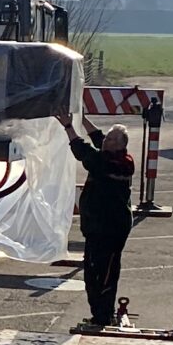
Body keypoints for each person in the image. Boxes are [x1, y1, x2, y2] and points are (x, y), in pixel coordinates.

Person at [63, 116, 137, 330]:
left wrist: (68, 127)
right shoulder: (111, 154)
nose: (107, 141)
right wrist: (82, 117)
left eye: (112, 139)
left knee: (103, 275)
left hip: (110, 229)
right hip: (97, 228)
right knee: (91, 271)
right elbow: (98, 138)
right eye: (108, 138)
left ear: (121, 146)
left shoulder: (119, 164)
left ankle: (103, 316)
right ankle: (99, 315)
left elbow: (85, 153)